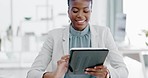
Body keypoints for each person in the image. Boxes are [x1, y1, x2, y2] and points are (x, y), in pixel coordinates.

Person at [27, 0, 128, 78]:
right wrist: (54, 75)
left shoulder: (104, 33)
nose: (80, 15)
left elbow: (123, 70)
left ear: (91, 11)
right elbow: (32, 73)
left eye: (86, 11)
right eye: (75, 10)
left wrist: (107, 74)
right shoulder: (54, 36)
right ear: (68, 11)